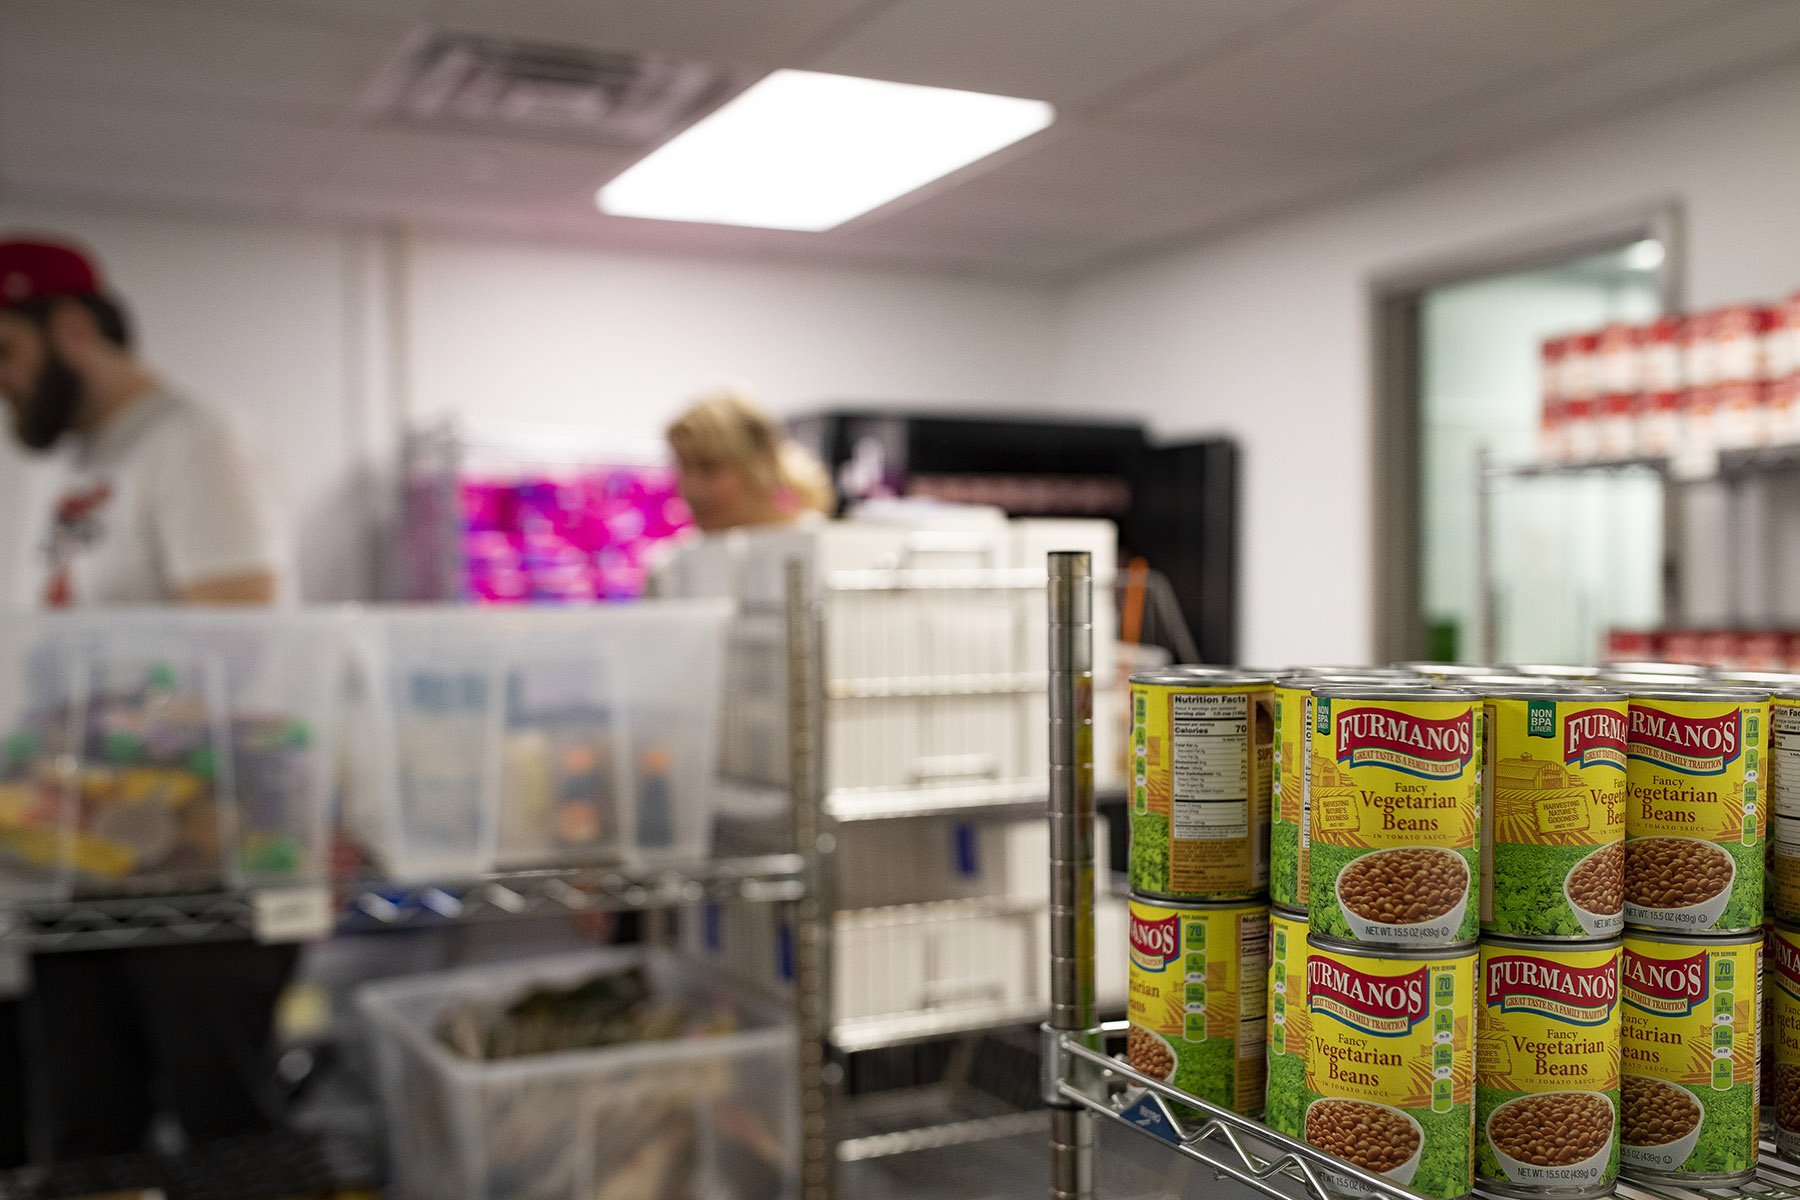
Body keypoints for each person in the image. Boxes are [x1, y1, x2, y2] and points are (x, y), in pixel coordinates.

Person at [0, 235, 298, 1158]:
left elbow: (230, 657)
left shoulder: (193, 439)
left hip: (197, 862)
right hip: (86, 856)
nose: (2, 383)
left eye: (5, 353)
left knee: (226, 1137)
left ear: (75, 329)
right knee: (89, 1129)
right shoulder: (82, 470)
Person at [665, 388, 834, 531]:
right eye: (683, 467)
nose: (693, 489)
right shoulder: (678, 558)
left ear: (764, 465)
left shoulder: (816, 544)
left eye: (709, 467)